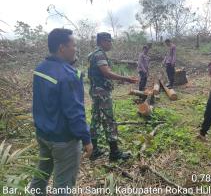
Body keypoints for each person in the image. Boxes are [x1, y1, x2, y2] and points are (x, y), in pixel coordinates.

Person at [30, 28, 92, 195]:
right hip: (64, 140)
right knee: (63, 185)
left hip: (43, 134)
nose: (76, 49)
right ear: (62, 48)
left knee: (41, 173)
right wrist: (86, 139)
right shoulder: (69, 75)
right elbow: (75, 113)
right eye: (74, 45)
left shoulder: (40, 68)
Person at [88, 32, 138, 161]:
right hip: (102, 92)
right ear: (102, 42)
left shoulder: (93, 54)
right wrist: (127, 79)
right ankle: (114, 153)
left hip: (95, 91)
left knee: (96, 118)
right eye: (109, 41)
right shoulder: (99, 54)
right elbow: (106, 72)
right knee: (109, 120)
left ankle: (94, 150)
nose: (111, 44)